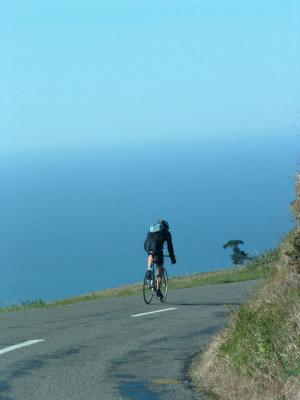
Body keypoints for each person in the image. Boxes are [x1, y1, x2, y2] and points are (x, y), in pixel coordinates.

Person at [144, 219, 176, 300]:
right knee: (160, 268)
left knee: (151, 253)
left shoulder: (151, 229)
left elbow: (149, 239)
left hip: (147, 245)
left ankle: (149, 270)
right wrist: (172, 258)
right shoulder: (167, 233)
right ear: (166, 227)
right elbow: (170, 247)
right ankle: (158, 291)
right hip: (157, 247)